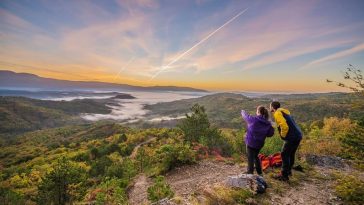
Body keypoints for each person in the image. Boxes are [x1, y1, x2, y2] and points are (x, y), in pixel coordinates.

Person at [270, 101, 302, 181]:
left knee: (284, 154)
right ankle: (288, 171)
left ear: (273, 107)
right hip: (298, 135)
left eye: (270, 106)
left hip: (291, 137)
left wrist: (283, 136)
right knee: (291, 153)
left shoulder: (277, 113)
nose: (269, 108)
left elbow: (284, 126)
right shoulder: (284, 111)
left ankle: (284, 175)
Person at [241, 106, 274, 175]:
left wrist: (242, 111)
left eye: (257, 111)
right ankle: (260, 172)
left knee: (250, 157)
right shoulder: (268, 123)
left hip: (250, 142)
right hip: (259, 144)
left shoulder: (254, 119)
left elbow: (245, 116)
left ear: (258, 112)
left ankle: (250, 172)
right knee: (256, 156)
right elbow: (270, 134)